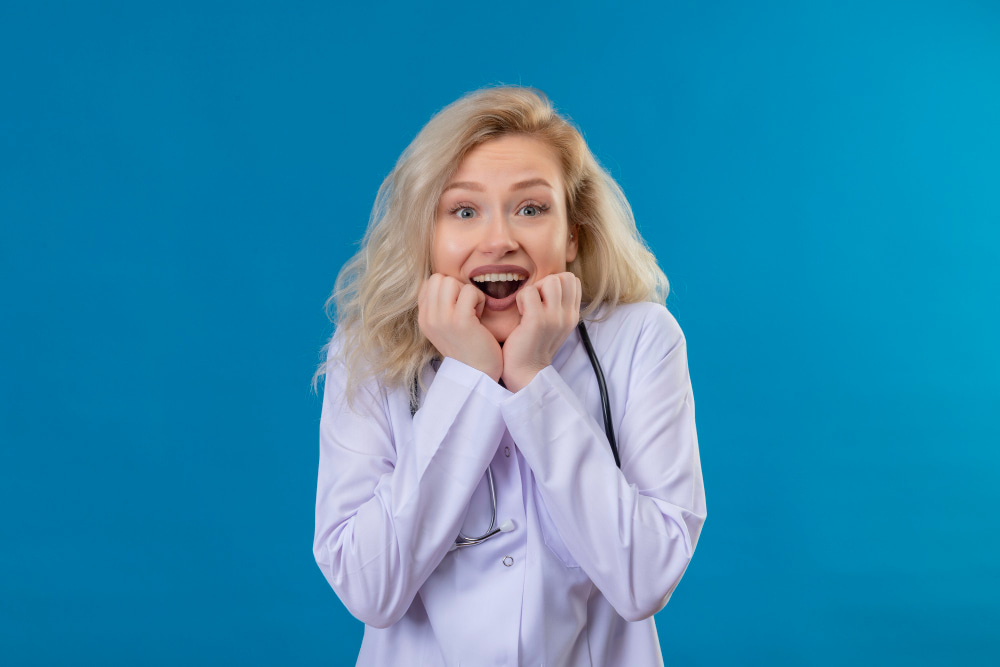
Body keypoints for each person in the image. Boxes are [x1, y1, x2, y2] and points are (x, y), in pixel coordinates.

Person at [313, 86, 706, 666]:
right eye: (464, 211)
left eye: (531, 208)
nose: (498, 238)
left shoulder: (641, 340)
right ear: (428, 234)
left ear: (572, 233)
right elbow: (369, 588)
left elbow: (645, 579)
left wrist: (532, 378)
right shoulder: (368, 352)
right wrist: (468, 379)